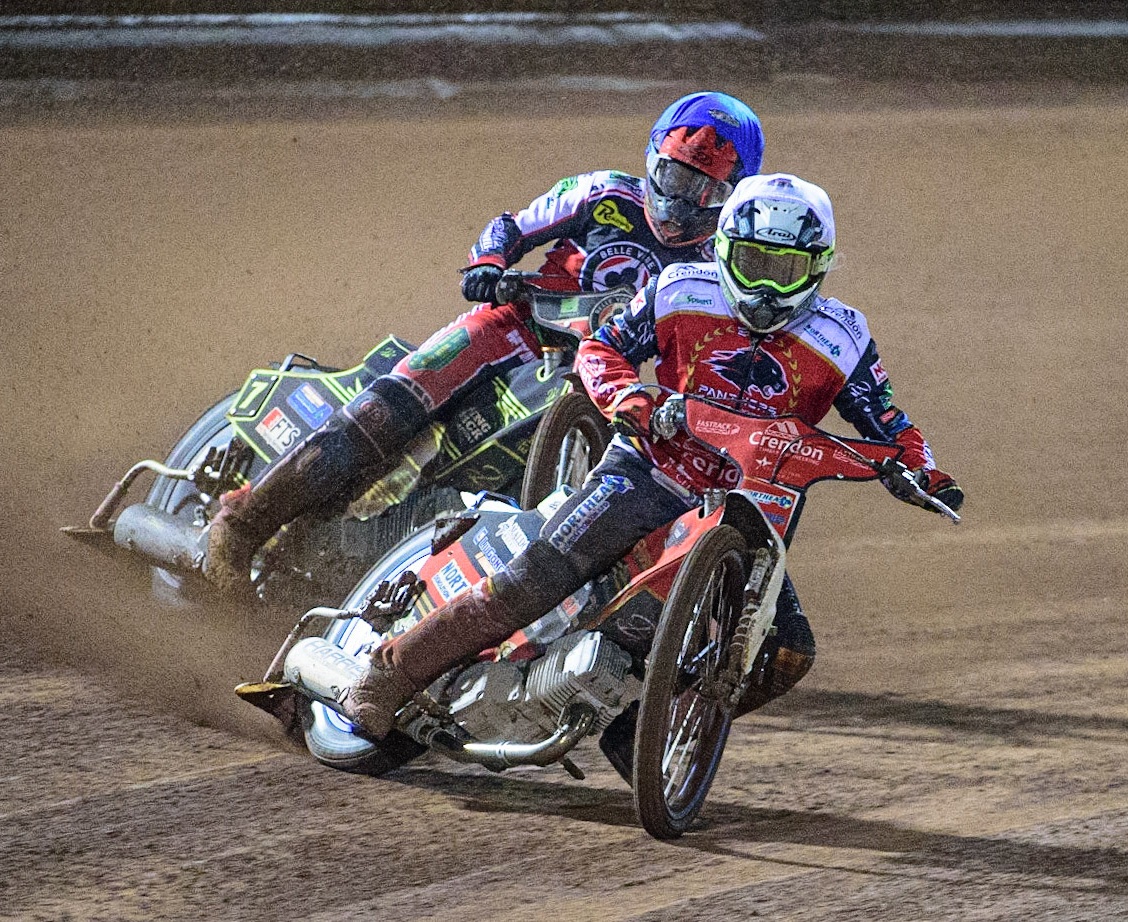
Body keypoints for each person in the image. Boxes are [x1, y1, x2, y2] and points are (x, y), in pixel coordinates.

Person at [339, 173, 965, 764]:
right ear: (724, 247)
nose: (766, 288)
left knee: (789, 651)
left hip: (751, 508)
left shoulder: (846, 337)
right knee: (538, 576)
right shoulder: (678, 289)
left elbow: (890, 422)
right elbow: (602, 347)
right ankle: (389, 672)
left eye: (785, 270)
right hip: (647, 469)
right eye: (753, 262)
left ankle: (640, 732)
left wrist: (922, 471)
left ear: (819, 268)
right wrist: (628, 398)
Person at [203, 91, 767, 594]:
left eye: (705, 190)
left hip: (599, 378)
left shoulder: (719, 264)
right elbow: (511, 227)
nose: (683, 202)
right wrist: (488, 264)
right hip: (512, 327)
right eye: (675, 179)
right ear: (652, 159)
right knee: (389, 407)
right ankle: (242, 523)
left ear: (732, 195)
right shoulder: (603, 193)